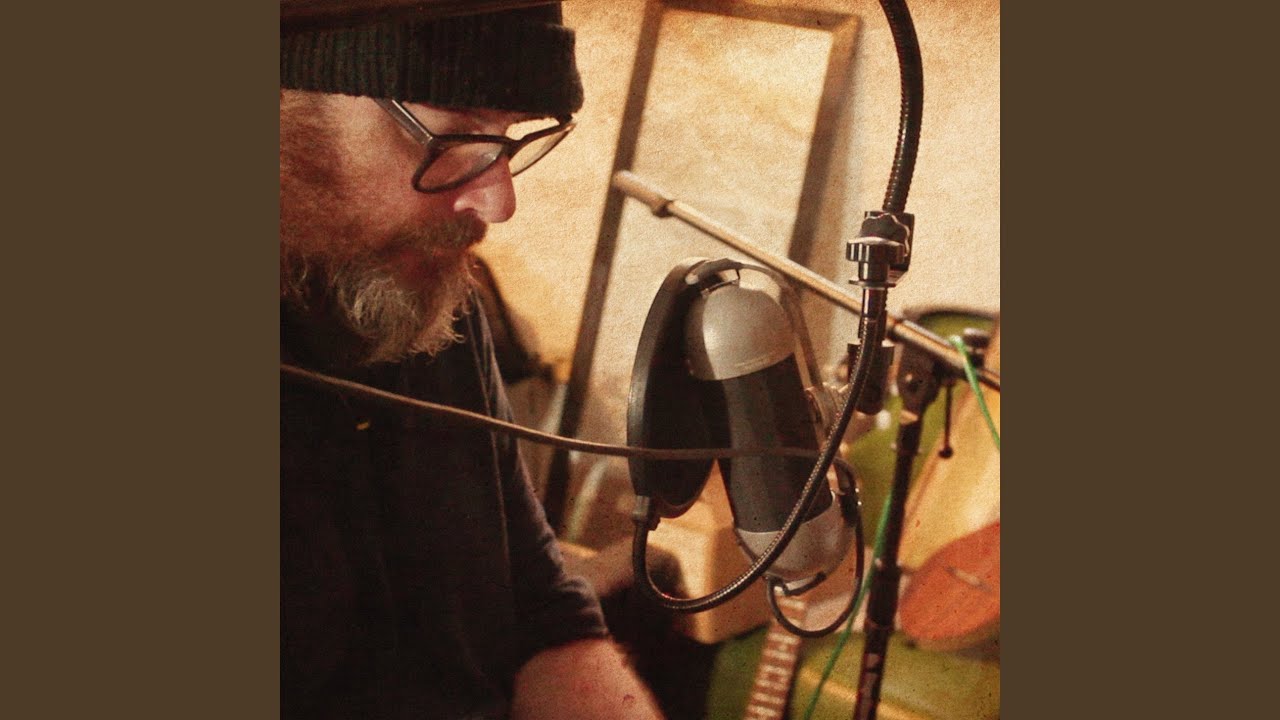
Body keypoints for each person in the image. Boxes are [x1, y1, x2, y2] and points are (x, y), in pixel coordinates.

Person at [278, 4, 664, 718]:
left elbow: (540, 614)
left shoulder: (432, 306)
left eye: (510, 137)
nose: (499, 199)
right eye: (454, 134)